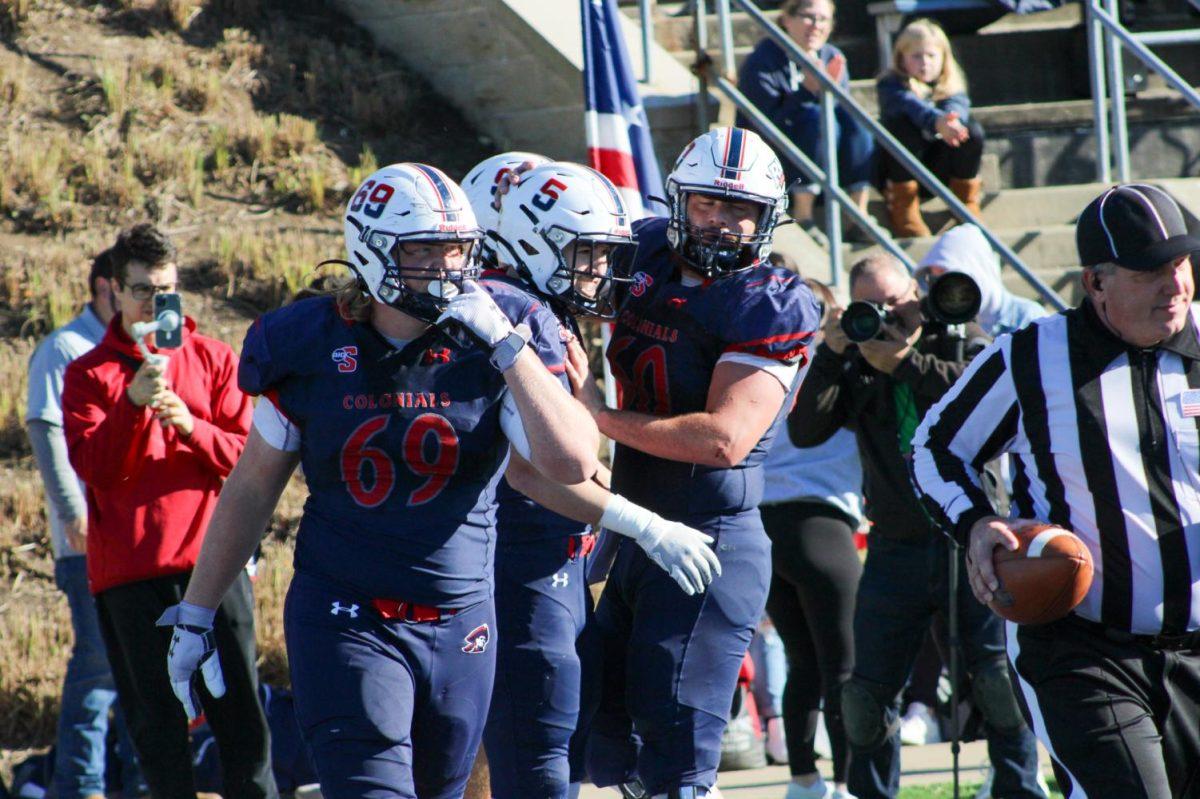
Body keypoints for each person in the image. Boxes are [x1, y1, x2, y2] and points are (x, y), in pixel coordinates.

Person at [161, 162, 603, 799]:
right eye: (423, 248)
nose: (446, 266)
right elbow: (254, 485)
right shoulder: (310, 343)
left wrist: (508, 347)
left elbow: (572, 463)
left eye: (457, 248)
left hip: (463, 622)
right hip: (347, 616)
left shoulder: (499, 332)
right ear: (370, 249)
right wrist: (197, 611)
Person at [912, 183, 1200, 799]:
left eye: (1181, 264)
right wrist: (976, 524)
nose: (1175, 285)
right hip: (1087, 651)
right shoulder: (1031, 357)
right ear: (1095, 283)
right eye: (1150, 271)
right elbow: (935, 447)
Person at [567, 126, 821, 799]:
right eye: (709, 203)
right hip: (632, 525)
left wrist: (589, 415)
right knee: (602, 743)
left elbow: (722, 439)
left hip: (709, 537)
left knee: (675, 758)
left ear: (769, 221)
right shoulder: (643, 246)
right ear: (680, 200)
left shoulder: (768, 300)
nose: (724, 220)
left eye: (742, 210)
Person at [789, 253, 1046, 799]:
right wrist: (833, 355)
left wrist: (904, 362)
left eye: (895, 301)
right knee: (867, 696)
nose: (888, 316)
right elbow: (807, 428)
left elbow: (980, 395)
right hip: (894, 544)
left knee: (998, 682)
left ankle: (1019, 789)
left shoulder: (958, 333)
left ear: (917, 292)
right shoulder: (856, 357)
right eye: (872, 306)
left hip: (973, 538)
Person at [61, 224, 275, 799]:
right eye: (140, 291)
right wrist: (131, 404)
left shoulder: (212, 359)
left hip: (213, 562)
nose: (155, 305)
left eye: (167, 290)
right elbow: (95, 470)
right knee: (156, 729)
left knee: (242, 720)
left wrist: (191, 425)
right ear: (112, 290)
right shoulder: (87, 374)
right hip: (130, 574)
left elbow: (249, 456)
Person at [25, 249, 142, 799]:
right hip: (90, 543)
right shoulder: (66, 348)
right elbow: (46, 432)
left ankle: (138, 781)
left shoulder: (138, 352)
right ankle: (80, 785)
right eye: (130, 286)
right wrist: (74, 515)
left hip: (135, 545)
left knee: (138, 673)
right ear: (104, 287)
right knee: (98, 669)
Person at [765, 278, 864, 799]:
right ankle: (847, 782)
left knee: (803, 663)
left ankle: (804, 780)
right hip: (820, 523)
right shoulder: (835, 366)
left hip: (766, 525)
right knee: (843, 666)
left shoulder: (764, 358)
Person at [737, 0, 874, 240]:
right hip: (777, 154)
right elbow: (763, 123)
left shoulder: (831, 56)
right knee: (814, 117)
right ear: (787, 20)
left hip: (826, 155)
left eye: (823, 19)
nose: (816, 26)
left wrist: (824, 92)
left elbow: (843, 116)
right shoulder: (763, 60)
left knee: (858, 122)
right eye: (808, 17)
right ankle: (803, 215)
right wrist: (805, 92)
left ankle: (857, 215)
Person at [876, 19, 984, 238]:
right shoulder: (890, 84)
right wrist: (937, 122)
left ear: (943, 59)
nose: (924, 63)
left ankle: (965, 202)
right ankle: (903, 207)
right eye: (916, 56)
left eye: (931, 56)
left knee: (970, 131)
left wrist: (951, 123)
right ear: (901, 58)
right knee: (901, 125)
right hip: (902, 171)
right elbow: (908, 104)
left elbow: (957, 109)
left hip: (939, 170)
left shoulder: (953, 87)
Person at [916, 224, 1046, 338]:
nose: (943, 288)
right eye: (935, 279)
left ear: (978, 270)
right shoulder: (939, 323)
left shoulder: (1028, 318)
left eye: (950, 278)